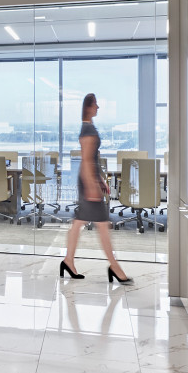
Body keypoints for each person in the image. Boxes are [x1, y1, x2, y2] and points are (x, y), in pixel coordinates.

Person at [60, 94, 134, 285]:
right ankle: (114, 266)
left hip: (90, 178)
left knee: (80, 222)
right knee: (101, 224)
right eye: (95, 104)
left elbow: (91, 160)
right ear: (89, 107)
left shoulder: (88, 128)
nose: (98, 107)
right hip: (87, 181)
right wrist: (92, 186)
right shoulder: (88, 130)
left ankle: (69, 260)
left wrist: (100, 178)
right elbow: (85, 160)